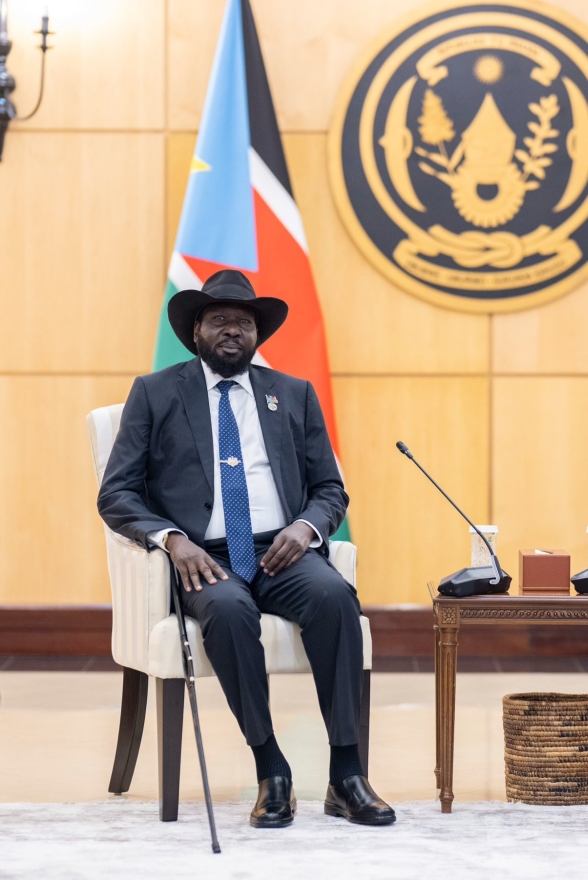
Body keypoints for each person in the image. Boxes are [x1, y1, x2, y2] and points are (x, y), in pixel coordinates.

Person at [98, 269, 395, 829]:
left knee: (335, 599)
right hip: (202, 555)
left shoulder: (294, 394)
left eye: (244, 322)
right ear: (197, 332)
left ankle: (347, 775)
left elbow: (331, 488)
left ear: (257, 334)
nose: (233, 330)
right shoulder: (156, 392)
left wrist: (305, 528)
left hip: (279, 551)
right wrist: (172, 540)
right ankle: (272, 770)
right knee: (231, 612)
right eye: (220, 321)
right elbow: (116, 493)